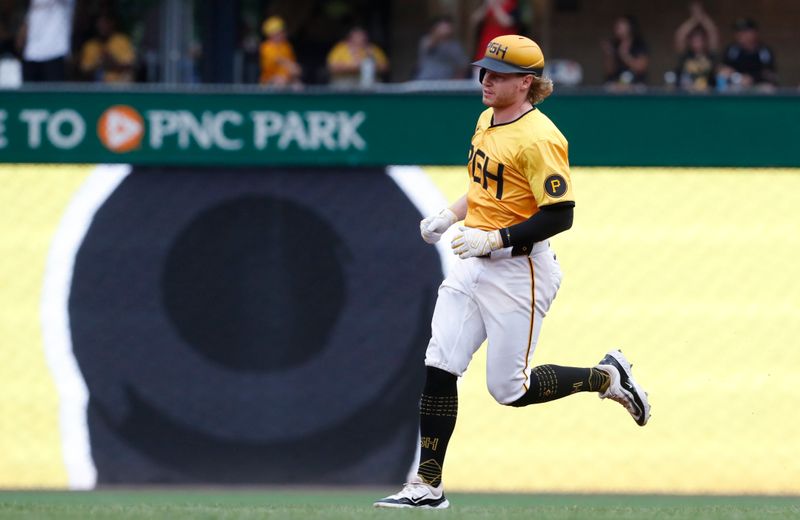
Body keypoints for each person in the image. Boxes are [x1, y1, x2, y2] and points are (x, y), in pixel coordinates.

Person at [374, 34, 651, 510]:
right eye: (485, 70)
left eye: (499, 75)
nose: (487, 79)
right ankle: (426, 486)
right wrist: (450, 215)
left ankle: (605, 378)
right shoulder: (487, 119)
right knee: (440, 364)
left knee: (509, 390)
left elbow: (560, 214)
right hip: (471, 263)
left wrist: (495, 239)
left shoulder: (541, 137)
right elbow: (487, 190)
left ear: (526, 83)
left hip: (519, 269)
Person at [20, 0, 75, 82]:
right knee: (29, 93)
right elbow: (31, 16)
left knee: (54, 93)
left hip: (56, 51)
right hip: (32, 52)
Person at [718, 18, 777, 91]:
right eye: (738, 32)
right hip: (737, 84)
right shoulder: (732, 50)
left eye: (745, 32)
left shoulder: (763, 50)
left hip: (758, 85)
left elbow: (769, 73)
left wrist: (752, 78)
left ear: (754, 33)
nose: (740, 35)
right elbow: (724, 69)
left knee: (769, 89)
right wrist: (739, 78)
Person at [672, 2, 719, 91]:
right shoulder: (686, 56)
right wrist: (693, 19)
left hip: (708, 95)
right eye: (694, 41)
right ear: (690, 42)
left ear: (705, 42)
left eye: (700, 40)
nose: (697, 43)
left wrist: (702, 17)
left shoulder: (710, 55)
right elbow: (680, 35)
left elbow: (713, 33)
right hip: (688, 95)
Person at [79, 13, 136, 83]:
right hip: (96, 89)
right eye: (100, 24)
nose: (102, 27)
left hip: (119, 88)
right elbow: (84, 72)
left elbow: (130, 66)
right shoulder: (90, 45)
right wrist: (99, 64)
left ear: (111, 24)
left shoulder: (121, 41)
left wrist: (111, 62)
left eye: (105, 23)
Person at [414, 16, 468, 81]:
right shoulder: (426, 40)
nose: (445, 30)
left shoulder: (455, 45)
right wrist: (438, 34)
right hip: (425, 81)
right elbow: (429, 47)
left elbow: (463, 66)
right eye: (442, 27)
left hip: (445, 83)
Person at [602, 15, 649, 89]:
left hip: (635, 83)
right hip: (616, 83)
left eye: (621, 26)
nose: (617, 29)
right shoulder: (614, 44)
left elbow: (641, 68)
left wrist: (624, 55)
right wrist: (609, 55)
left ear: (629, 27)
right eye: (617, 26)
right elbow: (609, 70)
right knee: (607, 87)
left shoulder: (639, 44)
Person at [258, 16, 301, 86]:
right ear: (271, 34)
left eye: (282, 31)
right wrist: (293, 67)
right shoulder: (266, 47)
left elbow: (294, 66)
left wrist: (295, 72)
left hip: (286, 79)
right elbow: (279, 60)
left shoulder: (286, 46)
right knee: (279, 81)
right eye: (279, 32)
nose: (283, 34)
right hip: (268, 81)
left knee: (298, 85)